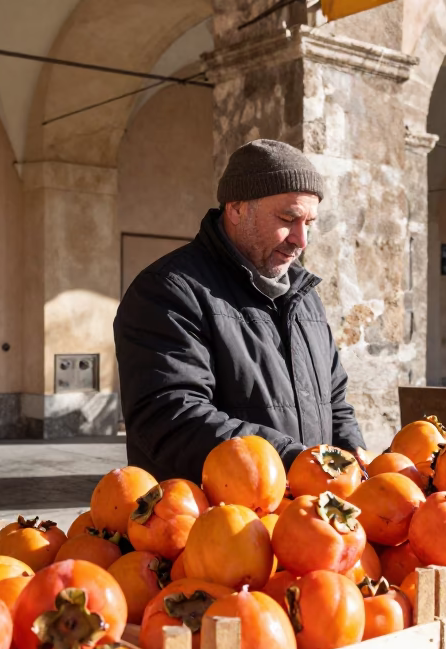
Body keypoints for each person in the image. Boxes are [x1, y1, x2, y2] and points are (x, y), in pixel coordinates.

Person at [114, 139, 366, 482]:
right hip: (211, 523)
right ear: (236, 209)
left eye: (310, 223)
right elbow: (172, 416)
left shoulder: (305, 296)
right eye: (288, 218)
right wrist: (297, 462)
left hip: (303, 517)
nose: (301, 240)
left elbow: (335, 400)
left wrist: (352, 455)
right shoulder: (168, 291)